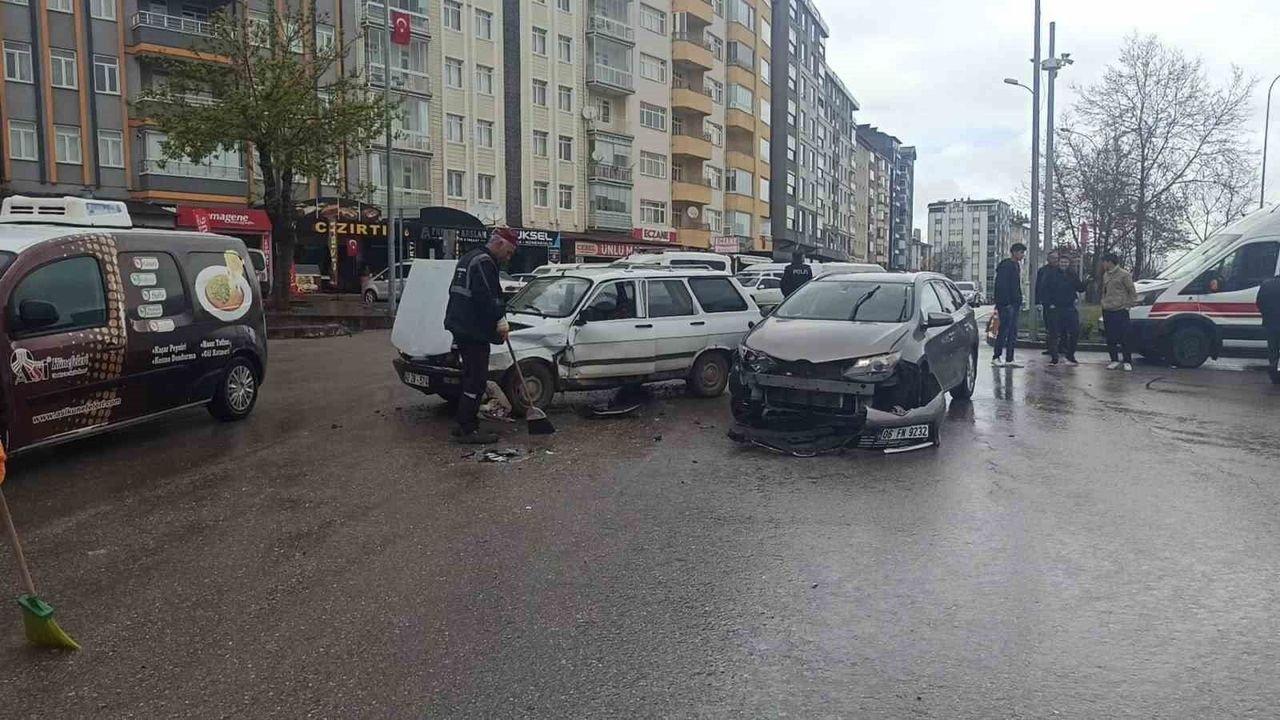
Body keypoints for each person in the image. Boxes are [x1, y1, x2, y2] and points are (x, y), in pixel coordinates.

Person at [444, 228, 519, 443]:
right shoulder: (484, 262)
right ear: (499, 243)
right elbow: (489, 297)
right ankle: (469, 429)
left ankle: (462, 423)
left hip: (460, 326)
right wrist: (500, 319)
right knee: (476, 381)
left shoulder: (469, 257)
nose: (508, 257)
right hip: (473, 331)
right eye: (509, 252)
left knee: (469, 378)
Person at [1043, 254, 1086, 365]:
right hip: (1055, 308)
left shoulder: (1072, 274)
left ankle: (1070, 355)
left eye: (1066, 262)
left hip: (1069, 307)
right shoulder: (1051, 274)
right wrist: (1049, 304)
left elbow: (1080, 288)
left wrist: (1086, 282)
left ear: (1069, 263)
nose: (1064, 264)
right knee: (1054, 333)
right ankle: (1054, 357)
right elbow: (1045, 289)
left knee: (1075, 331)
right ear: (1058, 263)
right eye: (1062, 262)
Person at [1099, 252, 1138, 371]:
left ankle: (1127, 361)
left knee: (1125, 336)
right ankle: (1114, 360)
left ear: (1109, 262)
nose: (1103, 264)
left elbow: (1131, 290)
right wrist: (1103, 302)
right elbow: (1104, 290)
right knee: (1111, 336)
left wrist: (1129, 305)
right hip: (1107, 308)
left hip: (1121, 309)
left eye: (1104, 262)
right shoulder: (1105, 275)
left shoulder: (1124, 274)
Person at [992, 243, 1027, 367]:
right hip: (1007, 304)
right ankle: (996, 356)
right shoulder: (1006, 266)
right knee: (1004, 330)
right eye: (1021, 252)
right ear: (1014, 252)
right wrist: (1005, 302)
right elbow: (1001, 286)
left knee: (1012, 331)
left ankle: (1009, 358)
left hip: (1014, 303)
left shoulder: (1016, 265)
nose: (1022, 255)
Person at [1257, 272, 1280, 384]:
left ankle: (1274, 373)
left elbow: (1259, 302)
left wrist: (1266, 314)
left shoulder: (1266, 284)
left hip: (1271, 322)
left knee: (1272, 349)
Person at [1035, 253, 1059, 355]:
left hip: (1059, 303)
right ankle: (1050, 348)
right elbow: (1038, 286)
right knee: (1049, 326)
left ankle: (1060, 347)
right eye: (1053, 258)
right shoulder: (1042, 271)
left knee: (1058, 326)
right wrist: (1037, 301)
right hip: (1046, 303)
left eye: (1056, 258)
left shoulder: (1060, 270)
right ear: (1048, 259)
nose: (1055, 260)